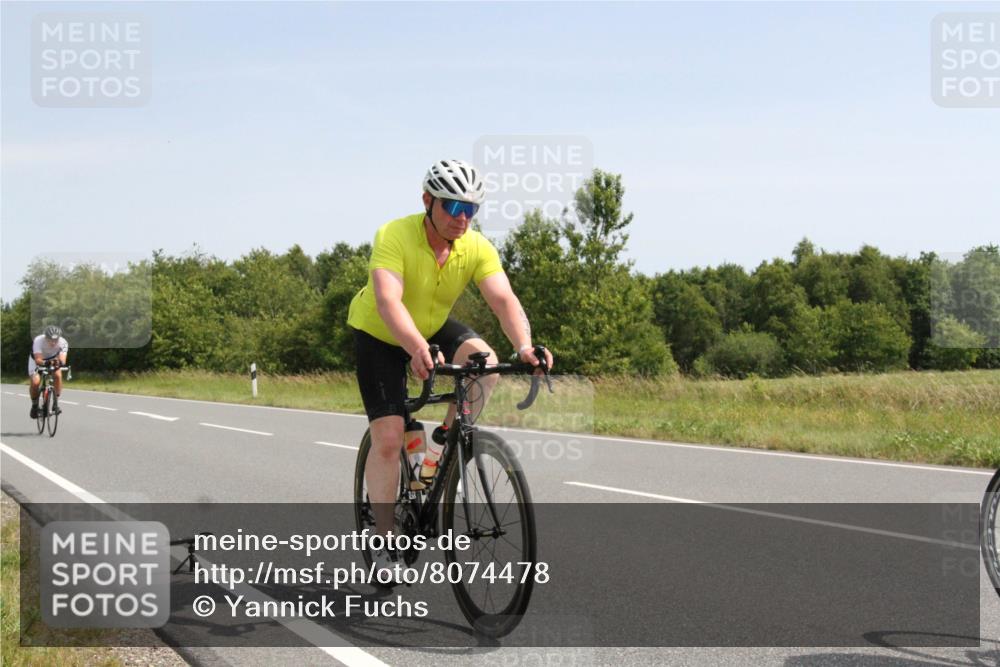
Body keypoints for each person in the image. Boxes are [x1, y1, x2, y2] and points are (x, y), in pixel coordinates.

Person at [347, 159, 554, 580]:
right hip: (380, 333)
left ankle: (442, 445)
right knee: (389, 438)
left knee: (487, 364)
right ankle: (385, 542)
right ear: (428, 200)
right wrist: (416, 348)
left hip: (432, 326)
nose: (462, 218)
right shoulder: (394, 234)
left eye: (471, 209)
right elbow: (388, 301)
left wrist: (525, 346)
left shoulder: (475, 246)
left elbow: (503, 300)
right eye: (453, 207)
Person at [29, 325, 69, 418]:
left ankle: (55, 404)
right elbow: (38, 360)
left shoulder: (63, 342)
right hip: (37, 360)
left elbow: (62, 360)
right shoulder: (38, 340)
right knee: (35, 382)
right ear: (45, 337)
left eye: (56, 340)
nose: (53, 342)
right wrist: (45, 362)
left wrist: (58, 363)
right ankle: (34, 406)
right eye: (51, 340)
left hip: (52, 360)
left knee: (58, 376)